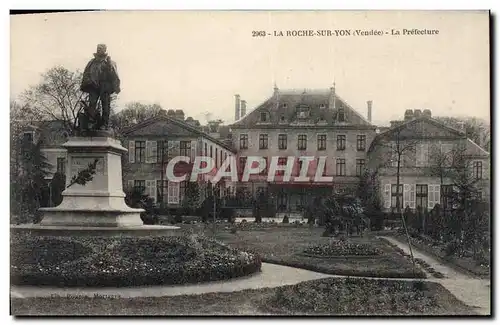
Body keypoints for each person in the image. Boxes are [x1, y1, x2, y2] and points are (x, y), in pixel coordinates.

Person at [80, 44, 121, 129]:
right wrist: (88, 81)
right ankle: (91, 121)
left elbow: (114, 75)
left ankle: (104, 124)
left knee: (105, 105)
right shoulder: (92, 62)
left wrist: (115, 86)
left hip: (105, 86)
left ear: (105, 50)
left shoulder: (110, 62)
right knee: (92, 104)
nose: (99, 50)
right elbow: (86, 73)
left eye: (101, 48)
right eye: (98, 48)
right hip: (93, 85)